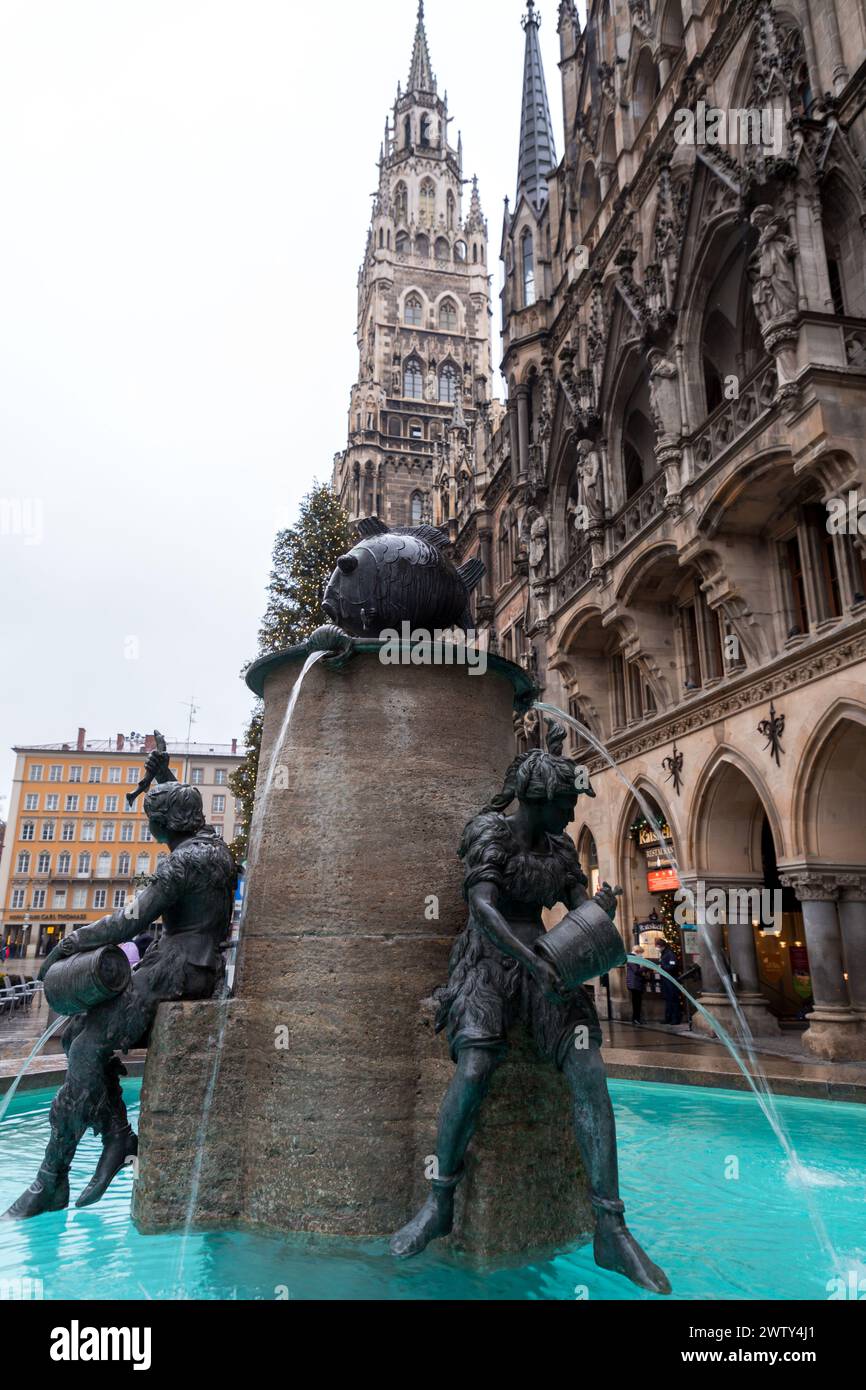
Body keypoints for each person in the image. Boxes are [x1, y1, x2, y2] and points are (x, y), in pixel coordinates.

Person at [390, 723, 670, 1295]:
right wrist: (532, 961)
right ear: (539, 799)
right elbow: (485, 911)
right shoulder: (490, 834)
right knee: (473, 1067)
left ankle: (610, 1227)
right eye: (566, 803)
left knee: (589, 1068)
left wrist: (598, 911)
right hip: (489, 962)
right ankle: (440, 1199)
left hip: (548, 963)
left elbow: (576, 908)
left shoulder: (561, 850)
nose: (571, 813)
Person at [2, 748, 236, 1221]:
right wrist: (167, 778)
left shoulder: (178, 865)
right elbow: (190, 818)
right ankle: (113, 1137)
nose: (151, 831)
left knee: (86, 1048)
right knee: (72, 1036)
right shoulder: (215, 850)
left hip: (175, 970)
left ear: (167, 824)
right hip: (199, 967)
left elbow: (131, 920)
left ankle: (58, 1173)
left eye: (154, 821)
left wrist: (72, 943)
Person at [656, 936, 682, 1025]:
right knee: (668, 999)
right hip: (666, 980)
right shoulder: (664, 954)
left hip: (671, 979)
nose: (657, 948)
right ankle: (668, 1018)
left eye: (658, 946)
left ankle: (675, 1018)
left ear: (662, 946)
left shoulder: (670, 954)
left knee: (673, 999)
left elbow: (672, 966)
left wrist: (662, 967)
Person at [626, 946, 648, 1025]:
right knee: (636, 1002)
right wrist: (645, 967)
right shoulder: (632, 958)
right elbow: (636, 971)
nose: (641, 955)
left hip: (636, 983)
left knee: (637, 1002)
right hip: (634, 983)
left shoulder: (633, 958)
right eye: (641, 953)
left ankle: (637, 1018)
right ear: (638, 952)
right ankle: (636, 1019)